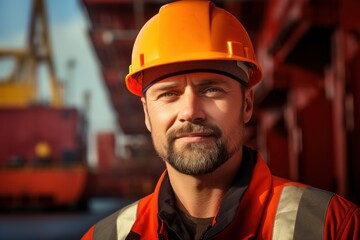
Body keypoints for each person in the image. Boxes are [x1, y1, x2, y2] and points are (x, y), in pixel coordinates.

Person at [82, 1, 360, 239]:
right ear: (146, 114)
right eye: (169, 94)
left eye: (211, 89)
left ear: (247, 104)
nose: (190, 111)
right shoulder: (104, 237)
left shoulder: (333, 227)